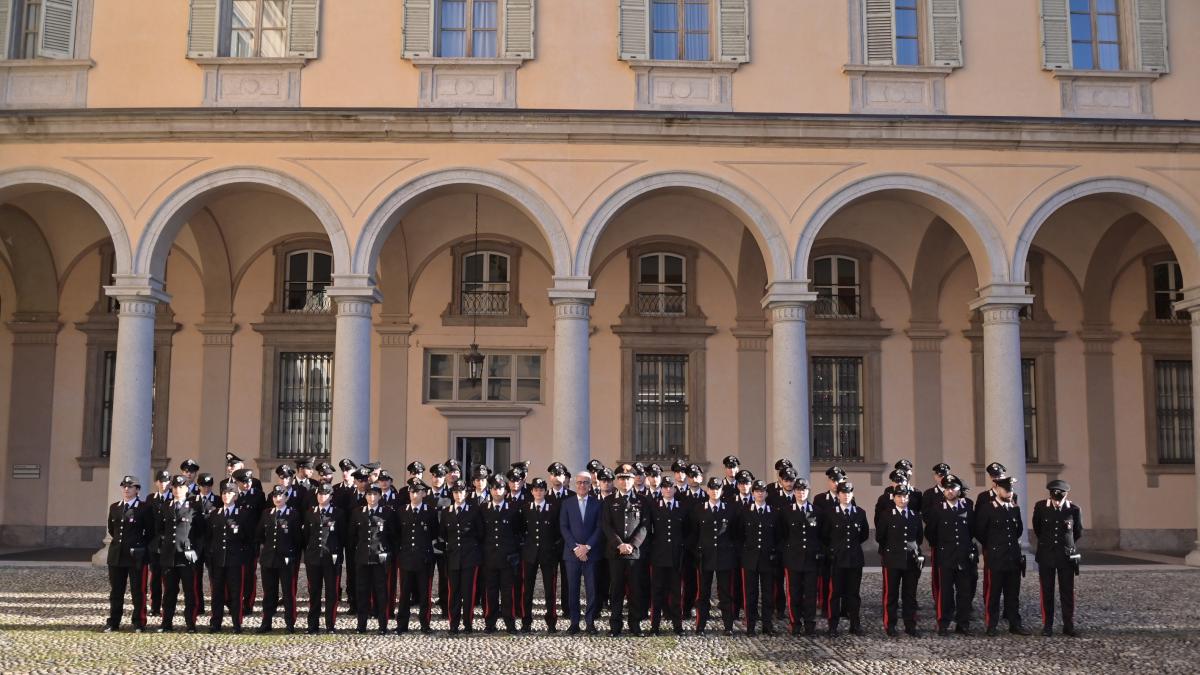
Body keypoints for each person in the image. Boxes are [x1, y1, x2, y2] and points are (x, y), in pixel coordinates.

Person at [602, 464, 651, 637]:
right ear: (617, 480)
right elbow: (606, 525)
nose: (625, 481)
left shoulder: (642, 500)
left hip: (634, 554)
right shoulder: (609, 501)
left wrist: (632, 545)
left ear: (634, 480)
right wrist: (619, 544)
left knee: (635, 590)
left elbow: (645, 526)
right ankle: (615, 625)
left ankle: (635, 624)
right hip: (615, 553)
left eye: (629, 478)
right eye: (622, 478)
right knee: (616, 590)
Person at [1032, 479, 1083, 637]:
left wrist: (1067, 546)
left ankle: (1068, 625)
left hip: (1066, 556)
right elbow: (1037, 528)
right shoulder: (1041, 507)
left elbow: (1077, 532)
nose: (1057, 501)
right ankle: (1047, 625)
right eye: (1055, 498)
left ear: (1066, 495)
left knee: (1067, 592)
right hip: (1046, 555)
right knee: (1047, 591)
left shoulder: (1073, 509)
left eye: (1060, 498)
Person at [928, 474, 978, 636]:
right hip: (946, 556)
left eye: (953, 488)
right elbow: (931, 533)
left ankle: (963, 624)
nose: (950, 491)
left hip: (964, 556)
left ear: (959, 490)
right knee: (946, 592)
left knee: (964, 592)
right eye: (947, 488)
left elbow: (972, 530)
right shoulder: (937, 509)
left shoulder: (967, 507)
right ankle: (943, 623)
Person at [691, 476, 741, 635]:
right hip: (704, 557)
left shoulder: (730, 509)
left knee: (725, 593)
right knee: (703, 593)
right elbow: (694, 533)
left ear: (721, 490)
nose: (714, 491)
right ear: (707, 490)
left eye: (717, 488)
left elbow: (735, 533)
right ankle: (700, 626)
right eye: (712, 488)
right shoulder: (699, 509)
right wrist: (696, 552)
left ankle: (728, 626)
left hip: (725, 556)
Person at [155, 475, 205, 633]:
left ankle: (190, 623)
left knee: (190, 592)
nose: (177, 490)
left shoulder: (194, 507)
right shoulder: (166, 506)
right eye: (175, 487)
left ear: (186, 489)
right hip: (169, 555)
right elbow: (159, 529)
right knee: (169, 591)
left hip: (187, 556)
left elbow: (201, 533)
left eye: (181, 487)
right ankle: (166, 623)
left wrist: (196, 552)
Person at [104, 475, 153, 633]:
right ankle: (113, 621)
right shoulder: (115, 507)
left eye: (130, 486)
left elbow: (150, 532)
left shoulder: (144, 508)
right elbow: (112, 529)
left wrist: (140, 547)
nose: (126, 489)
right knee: (116, 590)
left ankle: (138, 622)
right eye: (124, 486)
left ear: (137, 490)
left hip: (136, 555)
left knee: (138, 591)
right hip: (117, 554)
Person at [876, 483, 924, 637]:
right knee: (891, 595)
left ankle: (910, 625)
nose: (902, 499)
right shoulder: (886, 515)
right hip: (892, 559)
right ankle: (890, 625)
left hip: (910, 560)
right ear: (894, 498)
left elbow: (919, 538)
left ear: (908, 498)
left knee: (909, 595)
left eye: (905, 496)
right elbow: (880, 537)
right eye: (899, 496)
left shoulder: (915, 516)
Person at [822, 481, 868, 636]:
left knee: (853, 594)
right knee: (835, 594)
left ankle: (855, 624)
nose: (846, 496)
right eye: (843, 493)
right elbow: (825, 535)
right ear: (838, 495)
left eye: (849, 493)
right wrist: (834, 550)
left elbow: (864, 534)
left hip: (854, 559)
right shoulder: (830, 513)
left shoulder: (860, 512)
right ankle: (833, 626)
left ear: (852, 494)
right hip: (837, 559)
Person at [206, 482, 252, 633]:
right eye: (224, 493)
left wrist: (243, 556)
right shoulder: (215, 514)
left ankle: (236, 623)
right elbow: (209, 538)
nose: (226, 495)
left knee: (236, 593)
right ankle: (215, 622)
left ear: (236, 495)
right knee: (217, 592)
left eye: (230, 493)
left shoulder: (243, 514)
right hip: (218, 559)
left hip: (235, 560)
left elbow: (248, 538)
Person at [560, 471, 602, 635]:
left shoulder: (597, 504)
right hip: (572, 554)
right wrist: (576, 548)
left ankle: (590, 622)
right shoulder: (567, 503)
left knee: (592, 590)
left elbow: (600, 527)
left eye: (585, 482)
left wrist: (587, 547)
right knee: (573, 589)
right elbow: (563, 527)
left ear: (590, 485)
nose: (582, 485)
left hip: (592, 554)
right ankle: (574, 622)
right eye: (579, 482)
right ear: (574, 485)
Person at [256, 485, 301, 634]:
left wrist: (291, 555)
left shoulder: (293, 514)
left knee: (288, 593)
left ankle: (289, 623)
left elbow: (297, 539)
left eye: (281, 495)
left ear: (286, 497)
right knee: (269, 593)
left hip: (286, 558)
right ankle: (266, 622)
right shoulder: (266, 513)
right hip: (268, 559)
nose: (278, 498)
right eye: (275, 496)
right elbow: (260, 534)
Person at [481, 474, 523, 634]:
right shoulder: (484, 509)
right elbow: (481, 533)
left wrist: (514, 554)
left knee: (508, 593)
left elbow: (518, 531)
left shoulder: (513, 509)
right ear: (490, 490)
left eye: (499, 488)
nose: (496, 490)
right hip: (489, 557)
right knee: (490, 592)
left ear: (505, 490)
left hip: (507, 558)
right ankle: (490, 623)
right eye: (493, 488)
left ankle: (510, 623)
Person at [352, 484, 396, 634]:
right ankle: (361, 625)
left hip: (380, 558)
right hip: (363, 558)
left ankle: (383, 625)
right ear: (365, 496)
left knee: (381, 592)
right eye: (369, 494)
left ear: (379, 496)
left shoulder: (387, 513)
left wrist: (388, 553)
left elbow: (393, 536)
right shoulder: (358, 513)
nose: (371, 497)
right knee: (362, 592)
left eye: (375, 494)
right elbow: (351, 536)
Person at [520, 477, 562, 633]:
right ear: (532, 491)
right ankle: (526, 622)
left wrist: (554, 548)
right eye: (536, 490)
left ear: (545, 491)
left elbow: (558, 531)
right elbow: (520, 529)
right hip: (530, 554)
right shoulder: (526, 508)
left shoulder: (553, 508)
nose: (538, 492)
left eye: (541, 490)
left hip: (548, 554)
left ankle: (551, 622)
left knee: (550, 590)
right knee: (527, 590)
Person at [780, 478, 822, 636]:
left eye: (804, 490)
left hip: (811, 559)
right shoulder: (786, 511)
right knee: (794, 593)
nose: (801, 492)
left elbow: (820, 534)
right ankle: (795, 622)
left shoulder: (816, 511)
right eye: (798, 490)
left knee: (811, 593)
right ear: (794, 492)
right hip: (793, 558)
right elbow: (782, 534)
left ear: (808, 491)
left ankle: (810, 623)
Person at [395, 478, 437, 634]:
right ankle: (402, 624)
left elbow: (434, 532)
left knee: (425, 594)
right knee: (404, 594)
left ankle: (425, 624)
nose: (414, 494)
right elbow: (397, 534)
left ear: (424, 494)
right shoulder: (401, 511)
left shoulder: (430, 512)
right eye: (412, 491)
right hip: (406, 557)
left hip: (424, 558)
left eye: (418, 491)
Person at [302, 482, 345, 634]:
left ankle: (330, 625)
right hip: (313, 557)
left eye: (325, 493)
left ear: (331, 496)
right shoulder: (310, 513)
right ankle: (312, 625)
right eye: (320, 493)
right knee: (314, 592)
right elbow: (306, 535)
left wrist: (338, 555)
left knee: (331, 593)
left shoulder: (338, 513)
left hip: (331, 558)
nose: (322, 496)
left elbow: (342, 537)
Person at [441, 481, 483, 634]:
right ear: (452, 494)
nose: (458, 495)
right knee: (454, 592)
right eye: (455, 492)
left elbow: (480, 533)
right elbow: (443, 533)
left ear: (466, 493)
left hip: (470, 556)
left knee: (468, 592)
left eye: (461, 492)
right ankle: (454, 623)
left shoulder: (474, 511)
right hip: (453, 556)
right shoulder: (447, 512)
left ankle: (468, 623)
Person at [648, 475, 687, 635]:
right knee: (657, 592)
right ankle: (654, 626)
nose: (668, 489)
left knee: (676, 593)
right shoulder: (654, 506)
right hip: (658, 556)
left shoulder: (681, 507)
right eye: (665, 487)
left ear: (675, 489)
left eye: (671, 487)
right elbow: (648, 530)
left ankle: (678, 626)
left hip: (676, 557)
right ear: (661, 489)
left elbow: (689, 530)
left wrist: (683, 546)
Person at [741, 480, 780, 635]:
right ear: (753, 493)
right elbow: (738, 534)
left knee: (768, 595)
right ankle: (750, 626)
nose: (760, 493)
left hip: (767, 559)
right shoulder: (745, 512)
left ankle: (767, 625)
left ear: (766, 494)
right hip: (750, 559)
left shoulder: (773, 513)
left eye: (762, 491)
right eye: (757, 491)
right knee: (750, 594)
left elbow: (779, 536)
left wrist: (774, 554)